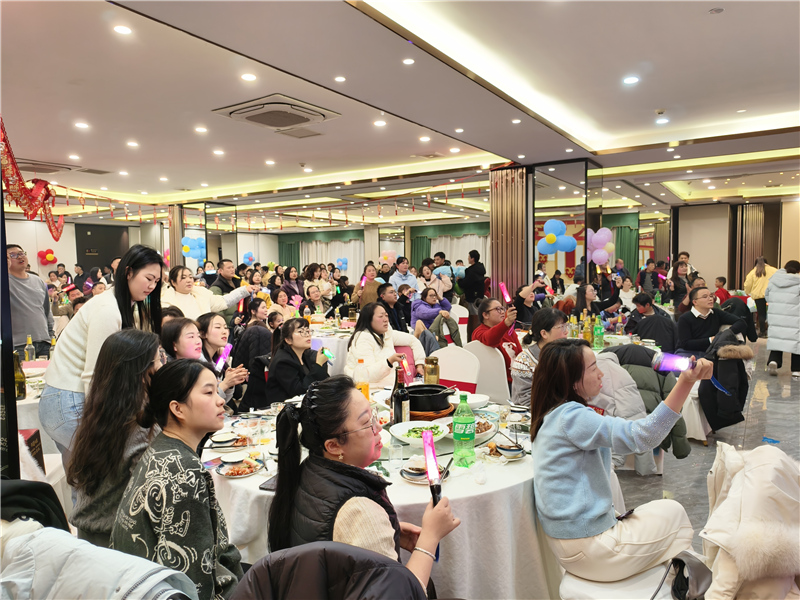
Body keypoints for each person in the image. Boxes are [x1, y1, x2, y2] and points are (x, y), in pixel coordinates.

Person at [531, 338, 712, 582]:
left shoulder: (554, 414)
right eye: (593, 368)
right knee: (676, 517)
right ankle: (683, 586)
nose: (601, 373)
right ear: (572, 381)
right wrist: (686, 382)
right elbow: (645, 435)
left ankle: (677, 580)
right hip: (589, 548)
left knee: (668, 512)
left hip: (573, 543)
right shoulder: (572, 418)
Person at [268, 376, 460, 593]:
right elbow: (400, 594)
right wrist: (429, 538)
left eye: (374, 416)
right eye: (367, 423)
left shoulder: (309, 469)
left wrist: (386, 532)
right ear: (333, 446)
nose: (378, 427)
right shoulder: (359, 512)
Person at [111, 360, 243, 600]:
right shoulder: (184, 472)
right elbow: (196, 581)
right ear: (177, 409)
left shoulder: (162, 448)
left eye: (217, 391)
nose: (220, 400)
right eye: (209, 392)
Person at [41, 245, 163, 467]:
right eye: (148, 278)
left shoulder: (120, 305)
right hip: (71, 401)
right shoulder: (108, 309)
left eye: (156, 281)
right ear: (128, 272)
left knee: (83, 476)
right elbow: (95, 375)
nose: (152, 286)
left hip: (68, 399)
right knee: (96, 475)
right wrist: (99, 425)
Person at [66, 330, 162, 547]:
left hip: (89, 536)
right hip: (117, 543)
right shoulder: (141, 427)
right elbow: (155, 499)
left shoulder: (100, 414)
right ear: (143, 373)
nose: (161, 368)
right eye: (158, 361)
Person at [345, 303, 425, 387]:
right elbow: (367, 375)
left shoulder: (387, 334)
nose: (386, 319)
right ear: (369, 319)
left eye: (386, 315)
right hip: (369, 388)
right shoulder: (363, 339)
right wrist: (389, 362)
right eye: (380, 316)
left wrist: (419, 364)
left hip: (389, 386)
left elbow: (413, 340)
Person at [260, 318, 329, 409]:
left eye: (307, 331)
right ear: (288, 340)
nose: (307, 335)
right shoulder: (283, 361)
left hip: (305, 405)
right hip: (285, 409)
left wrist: (322, 363)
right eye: (301, 331)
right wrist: (319, 364)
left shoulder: (306, 354)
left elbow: (323, 382)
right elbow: (299, 391)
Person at [510, 309, 568, 407]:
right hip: (531, 413)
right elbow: (527, 401)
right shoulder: (525, 361)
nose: (566, 332)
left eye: (566, 326)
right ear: (544, 333)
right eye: (562, 327)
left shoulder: (565, 354)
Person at [7, 244, 55, 358]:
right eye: (13, 255)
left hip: (44, 342)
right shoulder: (5, 282)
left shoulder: (38, 281)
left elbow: (46, 310)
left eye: (21, 253)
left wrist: (51, 335)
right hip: (19, 344)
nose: (20, 257)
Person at [161, 266, 253, 321]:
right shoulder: (166, 301)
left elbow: (224, 301)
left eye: (190, 277)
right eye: (184, 278)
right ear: (173, 282)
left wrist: (244, 290)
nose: (189, 280)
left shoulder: (201, 295)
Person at [677, 287, 747, 356]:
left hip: (712, 352)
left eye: (711, 296)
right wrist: (711, 340)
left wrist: (726, 333)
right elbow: (685, 344)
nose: (710, 299)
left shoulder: (716, 313)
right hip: (690, 352)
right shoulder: (684, 318)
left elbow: (741, 322)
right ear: (695, 302)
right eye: (705, 297)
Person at [197, 313, 249, 405]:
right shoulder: (199, 361)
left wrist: (231, 382)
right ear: (202, 333)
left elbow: (223, 401)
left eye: (225, 327)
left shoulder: (216, 360)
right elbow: (206, 403)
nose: (224, 331)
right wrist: (226, 383)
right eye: (218, 327)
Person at [232, 299, 274, 411]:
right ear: (253, 311)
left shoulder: (248, 325)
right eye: (263, 307)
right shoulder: (258, 328)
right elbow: (256, 356)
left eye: (266, 307)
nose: (266, 310)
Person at [472, 297, 521, 384]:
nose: (502, 312)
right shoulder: (479, 332)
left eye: (502, 308)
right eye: (497, 309)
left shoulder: (508, 330)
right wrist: (506, 322)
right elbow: (491, 340)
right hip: (500, 383)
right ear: (485, 315)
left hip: (518, 377)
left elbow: (520, 353)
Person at [765, 260, 800, 377]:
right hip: (795, 317)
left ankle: (774, 361)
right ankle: (796, 369)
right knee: (797, 342)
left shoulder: (774, 280)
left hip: (776, 316)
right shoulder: (798, 282)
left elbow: (767, 296)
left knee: (778, 339)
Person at [744, 256, 778, 337]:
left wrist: (747, 292)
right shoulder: (774, 270)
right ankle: (773, 332)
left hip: (759, 296)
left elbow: (747, 284)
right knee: (773, 314)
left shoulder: (752, 272)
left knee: (761, 314)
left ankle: (762, 332)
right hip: (772, 294)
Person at [210, 260, 244, 325]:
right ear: (220, 270)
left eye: (233, 267)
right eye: (229, 268)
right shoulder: (216, 287)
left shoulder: (238, 282)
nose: (232, 270)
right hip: (228, 323)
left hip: (240, 319)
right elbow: (217, 309)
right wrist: (230, 321)